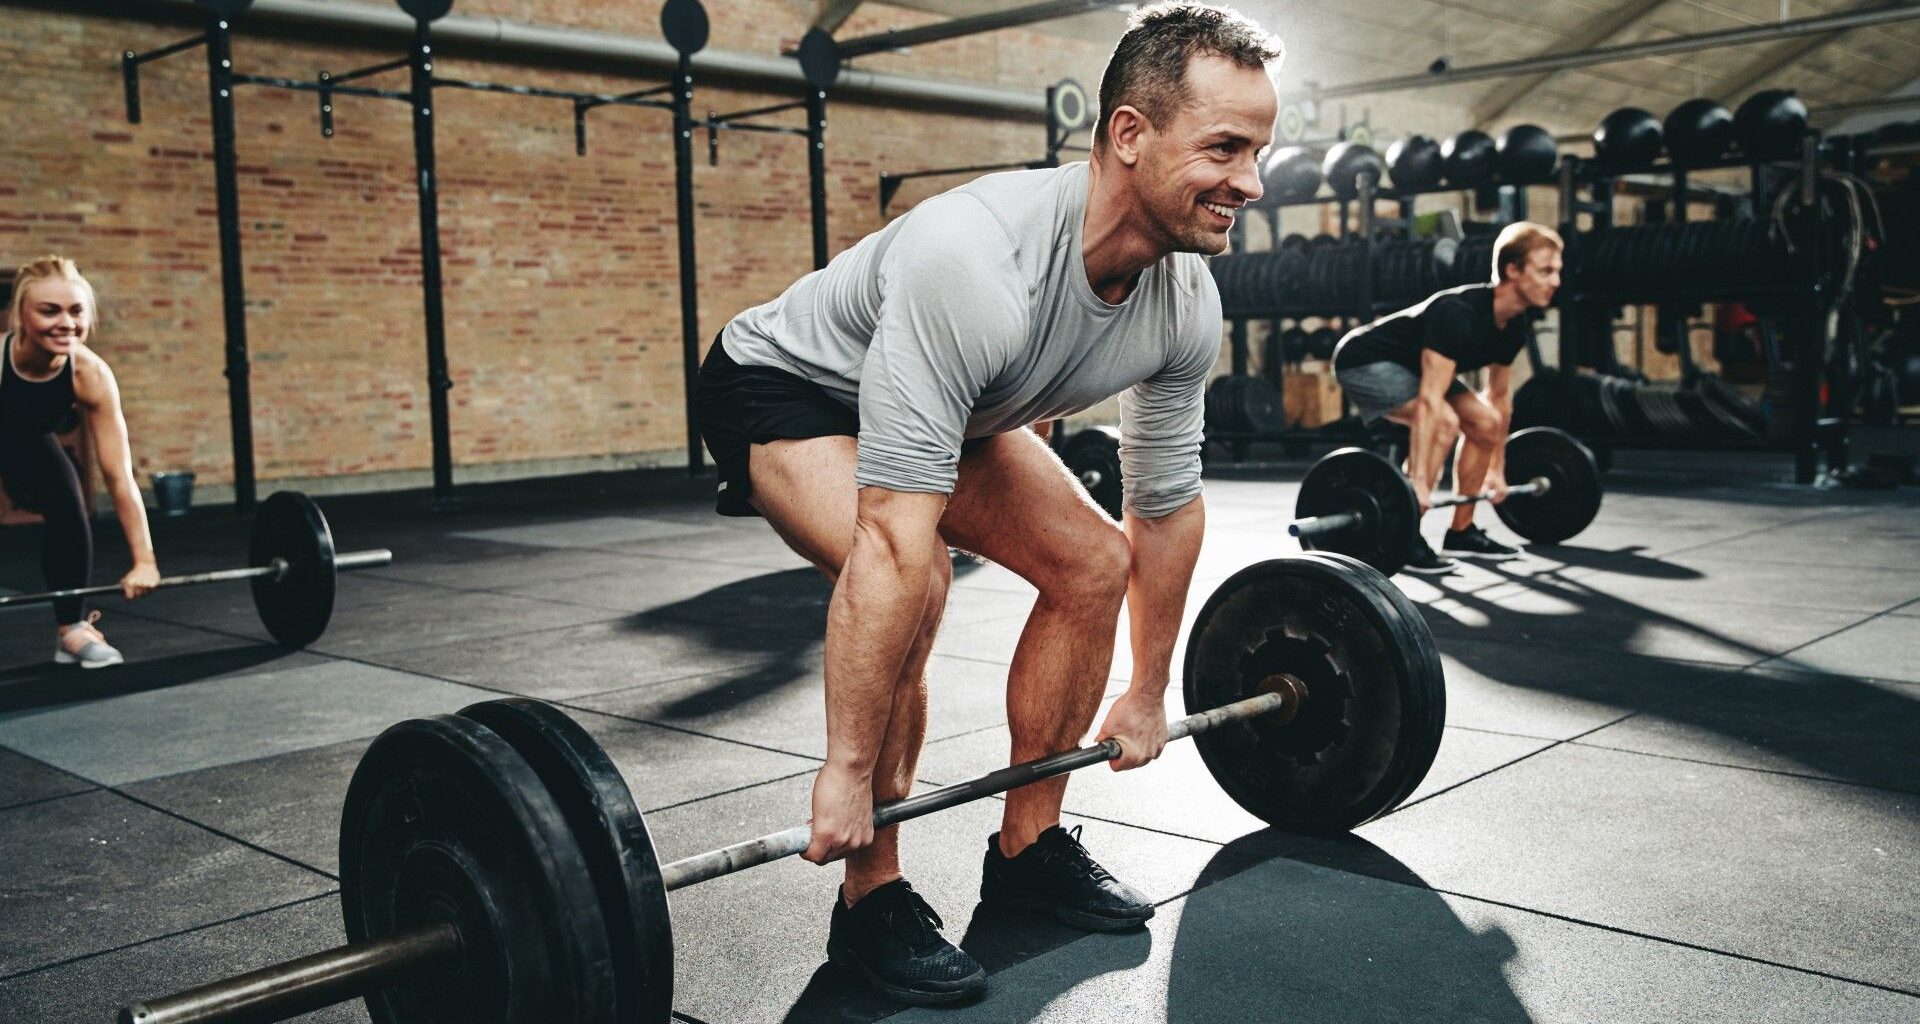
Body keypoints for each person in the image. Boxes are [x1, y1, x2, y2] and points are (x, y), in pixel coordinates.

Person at [692, 2, 1279, 1005]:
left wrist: (1145, 689)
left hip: (955, 404)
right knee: (913, 581)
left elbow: (1167, 511)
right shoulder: (979, 259)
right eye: (1225, 148)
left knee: (1094, 566)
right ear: (1128, 135)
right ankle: (871, 893)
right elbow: (888, 539)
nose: (1251, 183)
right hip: (787, 388)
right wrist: (843, 767)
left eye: (1261, 151)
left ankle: (1029, 844)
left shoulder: (1186, 300)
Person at [1330, 222, 1564, 575]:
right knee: (1443, 422)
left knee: (1485, 423)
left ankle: (1462, 531)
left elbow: (1498, 399)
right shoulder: (1457, 312)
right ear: (1512, 271)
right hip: (1364, 360)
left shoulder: (1514, 326)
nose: (1556, 282)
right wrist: (1420, 483)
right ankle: (1406, 536)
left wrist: (1497, 472)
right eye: (1546, 271)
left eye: (1557, 271)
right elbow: (1429, 402)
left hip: (1412, 367)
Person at [1, 256, 159, 667]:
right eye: (49, 310)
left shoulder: (89, 374)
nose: (65, 323)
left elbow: (118, 475)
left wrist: (144, 560)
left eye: (76, 310)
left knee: (69, 501)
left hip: (29, 442)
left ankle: (71, 630)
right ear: (19, 314)